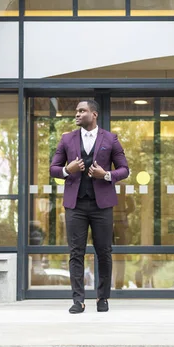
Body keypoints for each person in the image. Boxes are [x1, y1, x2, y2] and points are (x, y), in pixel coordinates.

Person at [50, 100, 129, 314]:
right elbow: (53, 168)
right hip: (75, 205)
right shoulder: (67, 139)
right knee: (76, 252)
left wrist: (106, 175)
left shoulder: (110, 139)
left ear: (93, 114)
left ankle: (102, 298)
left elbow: (125, 170)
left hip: (102, 205)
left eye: (81, 111)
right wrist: (68, 169)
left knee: (104, 252)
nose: (77, 114)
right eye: (76, 111)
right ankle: (78, 300)